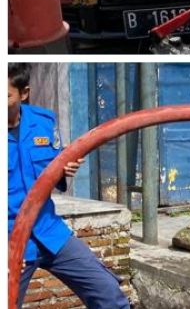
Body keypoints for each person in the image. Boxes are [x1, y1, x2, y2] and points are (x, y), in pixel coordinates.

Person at [8, 63, 130, 309]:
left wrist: (64, 170)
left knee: (108, 293)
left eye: (5, 95)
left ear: (24, 93)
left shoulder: (43, 121)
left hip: (48, 230)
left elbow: (52, 169)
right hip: (10, 238)